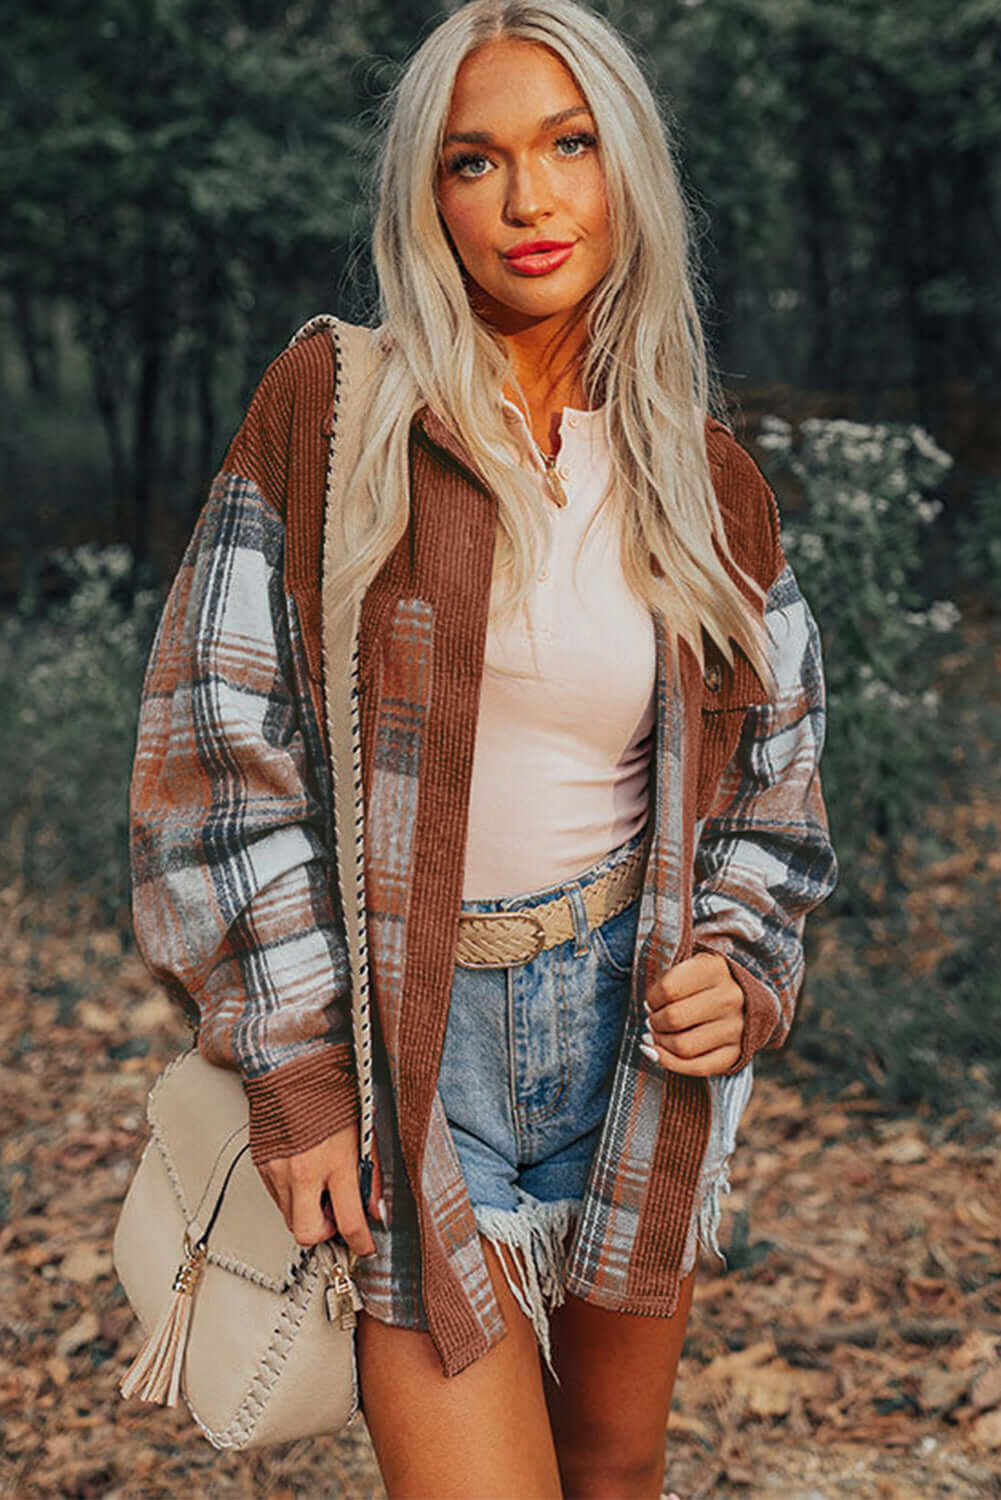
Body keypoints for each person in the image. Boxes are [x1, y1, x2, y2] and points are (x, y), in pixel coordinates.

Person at [129, 1, 837, 1495]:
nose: (529, 202)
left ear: (624, 168)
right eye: (476, 161)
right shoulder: (337, 411)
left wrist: (743, 961)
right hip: (411, 1051)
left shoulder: (703, 478)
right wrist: (299, 1071)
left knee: (613, 1472)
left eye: (567, 145)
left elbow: (773, 783)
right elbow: (217, 750)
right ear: (424, 195)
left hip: (632, 1039)